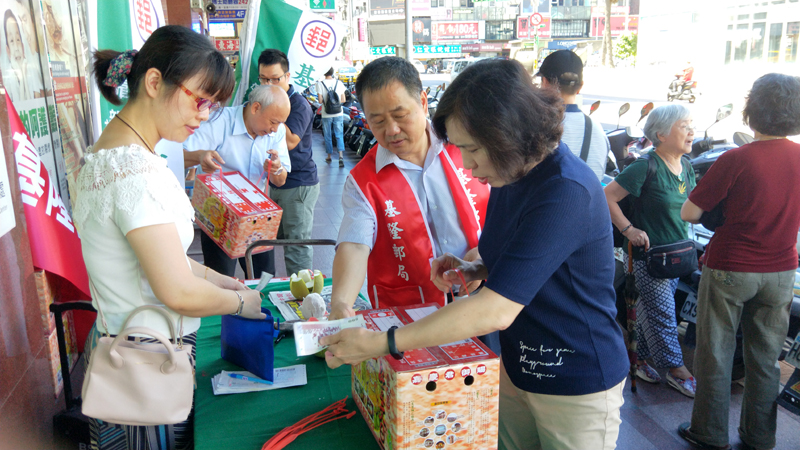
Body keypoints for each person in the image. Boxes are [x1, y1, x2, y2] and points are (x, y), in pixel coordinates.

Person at [321, 59, 629, 450]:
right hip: (517, 366)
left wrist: (383, 343)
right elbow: (517, 255)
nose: (465, 164)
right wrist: (475, 266)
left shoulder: (565, 190)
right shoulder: (509, 171)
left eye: (472, 149)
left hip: (574, 377)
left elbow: (496, 309)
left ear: (507, 133)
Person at [73, 25, 265, 450]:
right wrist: (241, 301)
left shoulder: (110, 156)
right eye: (199, 99)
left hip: (126, 347)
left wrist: (218, 281)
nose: (202, 115)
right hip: (147, 361)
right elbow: (176, 290)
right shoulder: (136, 173)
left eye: (212, 106)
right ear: (155, 82)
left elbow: (157, 256)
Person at [678, 74, 800, 450]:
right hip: (781, 271)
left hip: (731, 266)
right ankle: (760, 438)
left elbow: (690, 211)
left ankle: (709, 434)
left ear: (751, 111)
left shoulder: (736, 158)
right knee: (765, 361)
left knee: (716, 354)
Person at [328, 56, 489, 320]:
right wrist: (341, 303)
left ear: (423, 102)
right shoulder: (364, 181)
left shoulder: (464, 145)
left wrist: (485, 253)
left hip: (482, 297)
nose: (392, 130)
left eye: (400, 115)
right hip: (411, 315)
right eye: (377, 121)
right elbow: (354, 245)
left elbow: (507, 211)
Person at [603, 104, 697, 397]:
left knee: (650, 308)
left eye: (691, 125)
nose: (691, 131)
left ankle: (641, 358)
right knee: (662, 314)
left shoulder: (688, 167)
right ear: (661, 133)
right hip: (648, 256)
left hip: (677, 255)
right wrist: (629, 230)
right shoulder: (646, 165)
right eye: (684, 125)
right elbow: (607, 197)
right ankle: (676, 369)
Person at [183, 84, 292, 278]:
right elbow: (179, 154)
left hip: (258, 217)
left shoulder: (278, 131)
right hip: (220, 216)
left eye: (279, 124)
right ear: (255, 108)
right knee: (220, 277)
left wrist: (277, 168)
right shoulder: (219, 121)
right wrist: (200, 156)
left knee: (264, 276)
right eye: (273, 122)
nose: (275, 130)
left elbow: (281, 179)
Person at [257, 49, 319, 275]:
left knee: (296, 245)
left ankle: (304, 300)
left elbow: (291, 141)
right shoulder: (263, 100)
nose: (269, 84)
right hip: (273, 181)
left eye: (275, 79)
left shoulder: (299, 104)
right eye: (264, 79)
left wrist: (270, 114)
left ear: (288, 77)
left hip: (298, 183)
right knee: (274, 239)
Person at [537, 50, 610, 181]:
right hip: (588, 200)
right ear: (580, 86)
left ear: (545, 82)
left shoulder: (536, 125)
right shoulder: (597, 130)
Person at [316, 67, 346, 166]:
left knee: (327, 134)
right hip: (338, 113)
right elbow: (343, 99)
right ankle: (341, 156)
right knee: (339, 134)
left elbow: (320, 101)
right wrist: (335, 103)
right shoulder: (339, 83)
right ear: (333, 73)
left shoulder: (320, 84)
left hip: (326, 113)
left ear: (324, 73)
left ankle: (329, 156)